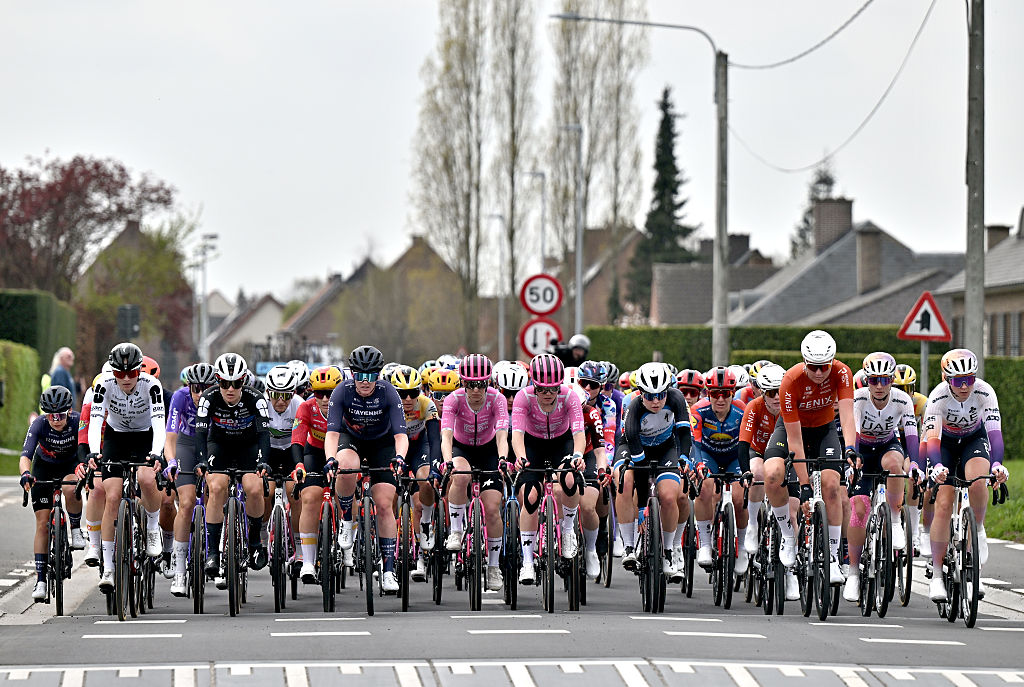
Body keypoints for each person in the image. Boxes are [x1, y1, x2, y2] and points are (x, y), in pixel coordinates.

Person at [762, 330, 856, 587]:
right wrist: (804, 485)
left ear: (832, 361)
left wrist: (850, 448)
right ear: (804, 362)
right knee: (772, 475)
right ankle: (787, 536)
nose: (819, 372)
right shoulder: (790, 381)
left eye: (824, 366)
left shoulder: (842, 372)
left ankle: (833, 557)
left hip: (825, 430)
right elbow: (794, 440)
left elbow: (847, 416)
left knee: (832, 486)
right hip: (793, 431)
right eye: (813, 367)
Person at [922, 348, 1008, 602]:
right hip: (944, 444)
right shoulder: (937, 397)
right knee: (944, 502)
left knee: (979, 481)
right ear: (946, 379)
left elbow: (994, 433)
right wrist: (937, 466)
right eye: (958, 380)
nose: (964, 386)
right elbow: (932, 440)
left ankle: (978, 529)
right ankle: (938, 576)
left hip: (973, 439)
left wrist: (997, 464)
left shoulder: (984, 392)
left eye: (969, 379)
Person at [324, 345, 409, 594]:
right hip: (352, 439)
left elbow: (401, 435)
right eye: (359, 375)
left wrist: (400, 457)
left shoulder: (388, 392)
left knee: (384, 504)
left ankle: (389, 570)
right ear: (352, 374)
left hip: (382, 443)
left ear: (378, 375)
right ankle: (347, 518)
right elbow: (332, 433)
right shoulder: (342, 391)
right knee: (346, 465)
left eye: (370, 376)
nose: (364, 381)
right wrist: (330, 459)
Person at [86, 343, 167, 591]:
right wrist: (94, 451)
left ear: (139, 371)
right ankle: (109, 568)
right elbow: (95, 420)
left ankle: (152, 527)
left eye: (131, 372)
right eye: (120, 373)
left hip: (145, 436)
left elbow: (159, 423)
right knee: (112, 496)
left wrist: (156, 453)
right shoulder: (104, 384)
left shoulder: (152, 386)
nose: (126, 378)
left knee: (146, 479)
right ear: (113, 372)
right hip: (116, 437)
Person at [194, 353, 271, 590]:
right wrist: (202, 461)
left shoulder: (256, 398)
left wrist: (263, 462)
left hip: (249, 446)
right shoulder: (208, 398)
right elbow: (200, 433)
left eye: (236, 383)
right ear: (217, 381)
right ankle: (212, 552)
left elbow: (264, 434)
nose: (230, 389)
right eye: (224, 383)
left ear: (243, 380)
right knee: (216, 487)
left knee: (254, 488)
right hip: (220, 445)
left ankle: (255, 542)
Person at [510, 353, 587, 584]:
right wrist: (521, 457)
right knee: (531, 496)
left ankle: (568, 530)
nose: (547, 394)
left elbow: (579, 434)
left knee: (570, 479)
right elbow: (517, 435)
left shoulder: (569, 396)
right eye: (541, 389)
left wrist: (578, 455)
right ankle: (527, 562)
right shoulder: (523, 397)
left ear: (559, 385)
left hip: (561, 443)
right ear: (533, 384)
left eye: (553, 388)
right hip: (532, 445)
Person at [440, 354, 509, 591]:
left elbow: (502, 435)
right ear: (463, 383)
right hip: (462, 448)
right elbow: (446, 435)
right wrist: (448, 461)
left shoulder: (497, 399)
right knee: (460, 474)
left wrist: (502, 458)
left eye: (481, 384)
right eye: (470, 384)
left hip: (489, 450)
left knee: (492, 509)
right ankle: (456, 531)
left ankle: (494, 567)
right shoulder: (454, 399)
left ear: (488, 382)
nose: (476, 390)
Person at [615, 362, 690, 577]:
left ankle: (668, 552)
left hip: (665, 447)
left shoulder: (676, 398)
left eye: (660, 395)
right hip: (633, 446)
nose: (656, 401)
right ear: (640, 393)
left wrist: (684, 458)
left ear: (668, 390)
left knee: (669, 496)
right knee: (625, 481)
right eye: (649, 396)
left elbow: (684, 433)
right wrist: (640, 508)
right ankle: (629, 546)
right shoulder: (633, 407)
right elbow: (639, 463)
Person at [21, 387, 85, 600]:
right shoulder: (39, 424)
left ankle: (75, 528)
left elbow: (86, 447)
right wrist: (26, 474)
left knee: (70, 487)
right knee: (42, 524)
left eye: (61, 415)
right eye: (51, 416)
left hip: (70, 464)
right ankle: (40, 580)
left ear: (69, 411)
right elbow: (26, 455)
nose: (56, 420)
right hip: (44, 467)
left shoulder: (77, 421)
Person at [689, 367, 749, 575]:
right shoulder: (698, 410)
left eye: (726, 394)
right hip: (708, 455)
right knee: (704, 487)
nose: (721, 399)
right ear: (708, 393)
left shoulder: (742, 410)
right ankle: (705, 543)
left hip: (734, 456)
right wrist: (699, 465)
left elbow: (746, 444)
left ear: (733, 393)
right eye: (715, 394)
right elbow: (695, 444)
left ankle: (742, 546)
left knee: (740, 498)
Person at [166, 363, 218, 596]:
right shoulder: (180, 397)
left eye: (206, 388)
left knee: (216, 494)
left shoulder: (219, 399)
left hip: (212, 445)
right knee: (186, 503)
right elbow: (170, 437)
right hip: (186, 445)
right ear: (189, 387)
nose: (201, 394)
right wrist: (171, 461)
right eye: (196, 388)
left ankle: (218, 554)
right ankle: (179, 569)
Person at [388, 365, 440, 583]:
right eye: (402, 394)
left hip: (419, 446)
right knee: (388, 496)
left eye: (413, 393)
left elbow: (435, 439)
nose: (408, 399)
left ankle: (426, 523)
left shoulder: (426, 405)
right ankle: (386, 553)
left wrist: (435, 466)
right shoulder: (386, 404)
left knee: (426, 482)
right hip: (393, 446)